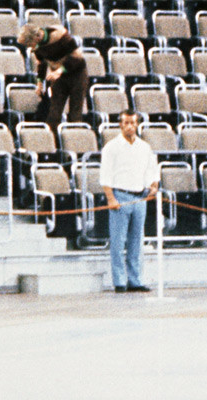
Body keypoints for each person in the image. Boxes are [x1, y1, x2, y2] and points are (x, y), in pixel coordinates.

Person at [97, 108, 159, 291]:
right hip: (120, 196)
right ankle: (119, 281)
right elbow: (105, 175)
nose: (130, 126)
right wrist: (110, 198)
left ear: (137, 124)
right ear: (120, 125)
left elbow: (152, 169)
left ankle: (135, 280)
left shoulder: (144, 147)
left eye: (133, 123)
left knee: (136, 241)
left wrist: (153, 186)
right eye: (126, 123)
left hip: (139, 197)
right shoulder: (111, 147)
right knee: (118, 241)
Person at [19, 20, 90, 127]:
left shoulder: (59, 35)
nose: (30, 47)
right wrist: (39, 83)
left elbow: (77, 57)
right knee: (53, 114)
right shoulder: (37, 47)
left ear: (37, 38)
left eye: (30, 44)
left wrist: (60, 71)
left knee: (75, 114)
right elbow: (41, 64)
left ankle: (74, 139)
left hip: (76, 73)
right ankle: (53, 141)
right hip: (58, 77)